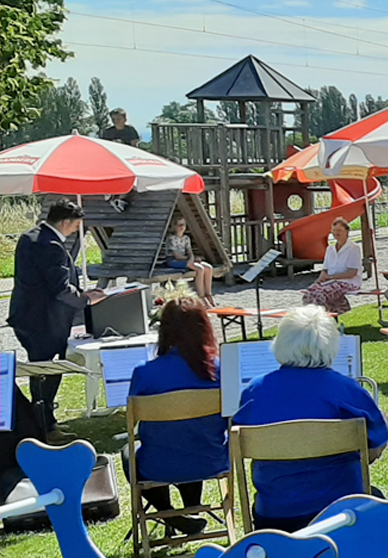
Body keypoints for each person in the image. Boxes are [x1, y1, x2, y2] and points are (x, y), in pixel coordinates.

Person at [232, 305, 388, 558]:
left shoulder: (255, 391)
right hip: (340, 512)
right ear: (329, 345)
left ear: (281, 343)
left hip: (275, 512)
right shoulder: (346, 389)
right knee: (374, 499)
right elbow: (378, 441)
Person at [124, 298, 229, 536]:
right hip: (211, 461)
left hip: (158, 465)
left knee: (130, 453)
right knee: (193, 436)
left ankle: (168, 513)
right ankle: (190, 511)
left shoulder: (144, 373)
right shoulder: (220, 370)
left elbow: (132, 422)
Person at [7, 200, 105, 443]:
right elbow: (60, 289)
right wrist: (85, 299)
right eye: (75, 226)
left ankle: (43, 421)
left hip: (26, 316)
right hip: (44, 320)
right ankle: (44, 426)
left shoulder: (29, 237)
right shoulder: (50, 245)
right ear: (65, 222)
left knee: (40, 371)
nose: (75, 231)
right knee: (47, 372)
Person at [302, 217, 362, 314]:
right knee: (309, 294)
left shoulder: (353, 248)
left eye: (339, 230)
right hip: (330, 281)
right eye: (334, 230)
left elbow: (352, 273)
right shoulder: (330, 249)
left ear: (346, 232)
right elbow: (325, 269)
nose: (336, 233)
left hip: (348, 282)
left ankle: (325, 318)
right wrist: (318, 281)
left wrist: (331, 277)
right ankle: (312, 318)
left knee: (321, 296)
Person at [165, 217, 215, 308]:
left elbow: (190, 252)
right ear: (175, 226)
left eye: (183, 225)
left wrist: (193, 258)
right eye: (180, 225)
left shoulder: (186, 238)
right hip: (174, 261)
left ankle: (209, 294)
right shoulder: (171, 239)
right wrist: (191, 260)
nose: (182, 227)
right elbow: (177, 256)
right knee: (199, 269)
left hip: (186, 260)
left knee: (208, 268)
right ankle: (201, 297)